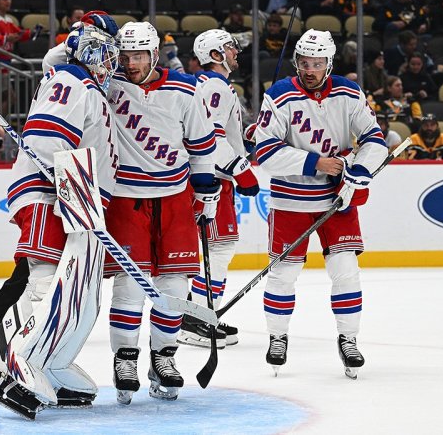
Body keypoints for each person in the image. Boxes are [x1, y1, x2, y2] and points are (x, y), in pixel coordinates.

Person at [0, 22, 120, 416]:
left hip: (75, 199)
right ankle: (10, 360)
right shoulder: (72, 80)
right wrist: (69, 195)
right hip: (51, 195)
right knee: (45, 283)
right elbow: (45, 139)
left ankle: (48, 364)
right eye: (106, 53)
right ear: (90, 52)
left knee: (75, 295)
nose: (112, 62)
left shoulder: (91, 89)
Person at [252, 29, 388, 379]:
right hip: (290, 201)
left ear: (329, 63)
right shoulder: (280, 95)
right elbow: (264, 152)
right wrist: (316, 163)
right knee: (283, 274)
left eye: (317, 63)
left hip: (336, 199)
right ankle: (277, 337)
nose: (309, 69)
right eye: (303, 62)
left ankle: (349, 339)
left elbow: (375, 139)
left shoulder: (348, 91)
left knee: (345, 270)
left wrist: (359, 171)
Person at [106, 22, 217, 404]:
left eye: (138, 55)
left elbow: (202, 146)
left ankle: (164, 357)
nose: (130, 62)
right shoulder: (107, 86)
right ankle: (125, 359)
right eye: (124, 55)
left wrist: (207, 194)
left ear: (154, 54)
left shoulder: (185, 89)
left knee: (173, 285)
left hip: (174, 199)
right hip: (125, 199)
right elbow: (56, 68)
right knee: (130, 284)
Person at [178, 29, 259, 349]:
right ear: (214, 55)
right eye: (229, 47)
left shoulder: (210, 85)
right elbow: (209, 137)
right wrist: (241, 170)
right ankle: (195, 318)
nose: (236, 51)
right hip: (211, 177)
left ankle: (201, 313)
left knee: (216, 245)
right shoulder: (215, 86)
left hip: (205, 175)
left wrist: (243, 139)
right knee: (219, 246)